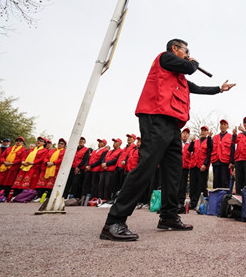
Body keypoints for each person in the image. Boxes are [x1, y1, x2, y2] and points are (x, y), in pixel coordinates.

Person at [100, 38, 235, 241]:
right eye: (186, 50)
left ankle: (169, 216)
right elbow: (190, 67)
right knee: (146, 167)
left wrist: (219, 89)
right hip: (156, 119)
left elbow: (196, 87)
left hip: (172, 125)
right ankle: (114, 222)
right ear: (175, 49)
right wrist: (193, 61)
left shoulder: (178, 77)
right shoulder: (165, 58)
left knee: (174, 172)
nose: (188, 53)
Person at [188, 126, 213, 210]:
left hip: (202, 166)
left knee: (201, 185)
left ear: (207, 132)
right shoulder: (196, 141)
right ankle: (193, 203)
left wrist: (205, 164)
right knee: (193, 184)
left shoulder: (208, 141)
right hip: (194, 165)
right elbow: (189, 149)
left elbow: (209, 154)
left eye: (205, 131)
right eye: (202, 130)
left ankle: (200, 203)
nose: (203, 132)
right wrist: (192, 141)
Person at [211, 120, 232, 189]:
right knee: (216, 182)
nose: (223, 126)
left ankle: (224, 198)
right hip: (216, 162)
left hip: (225, 163)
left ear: (227, 126)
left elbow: (232, 150)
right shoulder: (215, 137)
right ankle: (216, 198)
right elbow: (211, 149)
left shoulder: (231, 137)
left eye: (224, 124)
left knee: (225, 182)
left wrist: (232, 162)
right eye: (221, 124)